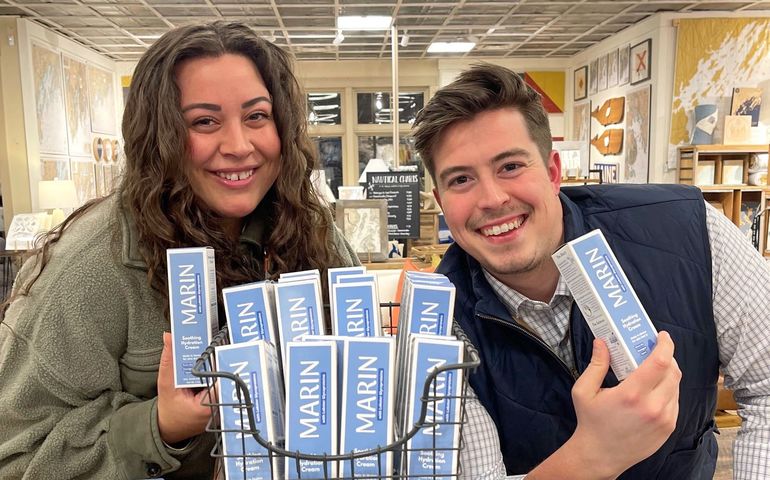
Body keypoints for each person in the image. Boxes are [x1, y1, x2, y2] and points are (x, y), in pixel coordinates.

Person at [0, 21, 360, 479]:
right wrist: (159, 426)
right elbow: (14, 456)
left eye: (256, 116)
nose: (238, 146)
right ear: (159, 136)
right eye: (204, 122)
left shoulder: (309, 225)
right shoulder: (94, 264)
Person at [412, 63, 770, 479]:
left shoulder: (690, 232)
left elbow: (766, 391)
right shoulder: (437, 322)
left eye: (510, 166)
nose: (491, 198)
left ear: (552, 173)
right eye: (461, 179)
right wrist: (595, 455)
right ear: (440, 200)